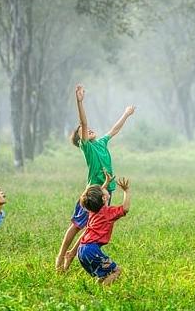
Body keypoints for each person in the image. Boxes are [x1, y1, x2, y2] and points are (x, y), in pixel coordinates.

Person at [55, 84, 135, 271]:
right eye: (83, 131)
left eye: (90, 129)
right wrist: (79, 101)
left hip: (107, 190)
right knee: (76, 225)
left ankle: (73, 254)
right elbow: (83, 123)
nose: (89, 129)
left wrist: (126, 114)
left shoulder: (101, 142)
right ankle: (61, 255)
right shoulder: (87, 147)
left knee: (93, 224)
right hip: (93, 193)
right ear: (80, 139)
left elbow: (114, 130)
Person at [77, 174, 131, 285]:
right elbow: (125, 208)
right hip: (91, 250)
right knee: (116, 270)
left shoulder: (92, 209)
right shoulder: (108, 213)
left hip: (81, 250)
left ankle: (97, 292)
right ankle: (104, 292)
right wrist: (126, 191)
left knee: (103, 274)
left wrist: (106, 182)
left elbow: (97, 194)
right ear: (104, 198)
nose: (104, 189)